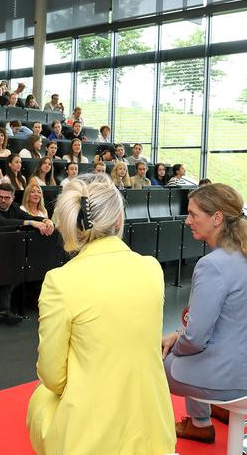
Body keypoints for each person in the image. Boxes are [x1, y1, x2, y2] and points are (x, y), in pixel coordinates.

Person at [27, 173, 176, 455]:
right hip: (154, 429)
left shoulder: (60, 281)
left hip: (90, 438)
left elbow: (53, 376)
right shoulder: (151, 268)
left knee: (40, 399)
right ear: (119, 220)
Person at [161, 183, 247, 443]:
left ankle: (153, 434)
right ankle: (199, 423)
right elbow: (226, 322)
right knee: (188, 347)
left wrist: (173, 345)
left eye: (193, 214)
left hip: (229, 377)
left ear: (216, 218)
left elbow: (194, 340)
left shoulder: (212, 265)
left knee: (151, 359)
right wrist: (180, 336)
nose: (187, 221)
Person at [0, 183, 55, 323]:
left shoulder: (14, 207)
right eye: (0, 197)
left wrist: (46, 220)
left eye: (7, 198)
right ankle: (1, 309)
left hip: (6, 251)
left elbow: (27, 216)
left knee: (14, 271)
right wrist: (31, 223)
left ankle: (4, 310)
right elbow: (3, 222)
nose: (3, 200)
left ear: (13, 197)